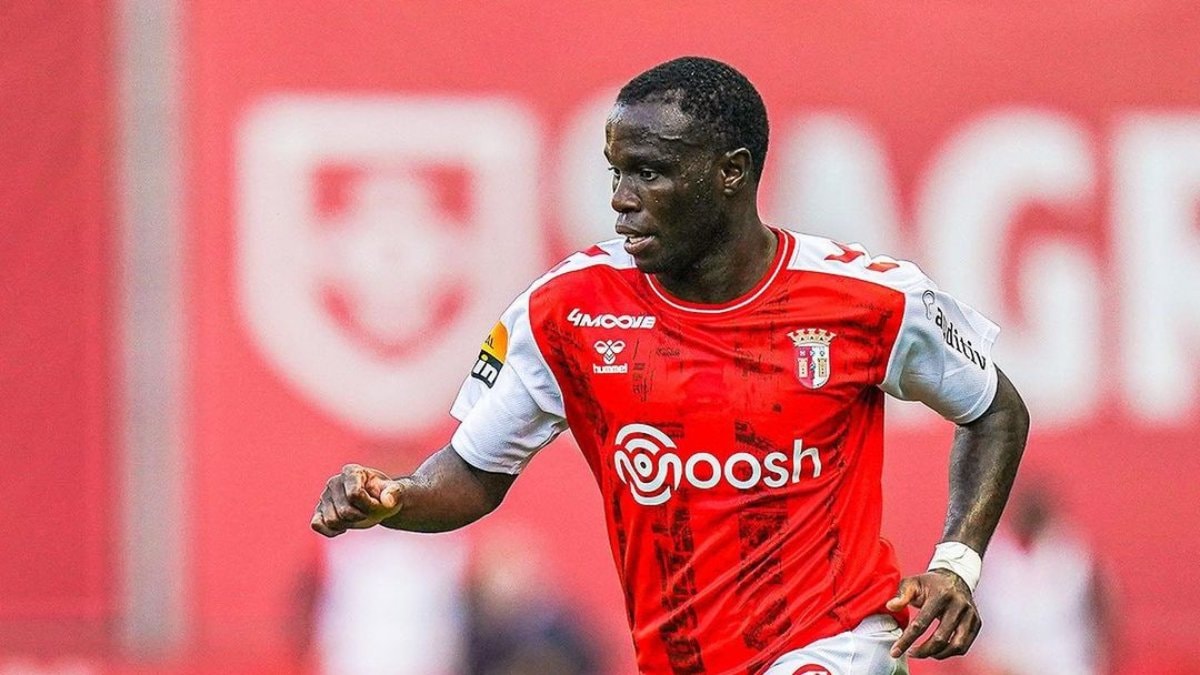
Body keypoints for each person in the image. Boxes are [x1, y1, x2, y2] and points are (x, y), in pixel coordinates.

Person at [311, 56, 1030, 675]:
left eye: (649, 173)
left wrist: (957, 562)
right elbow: (473, 474)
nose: (620, 200)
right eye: (617, 172)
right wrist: (398, 497)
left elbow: (995, 409)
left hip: (839, 643)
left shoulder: (867, 299)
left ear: (731, 172)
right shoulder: (567, 311)